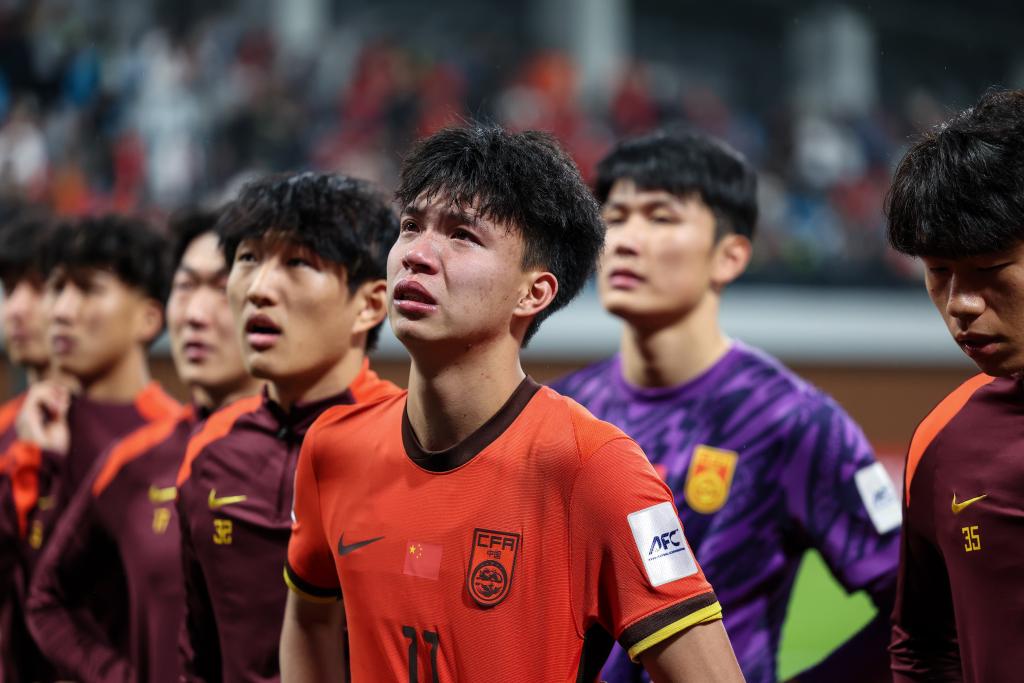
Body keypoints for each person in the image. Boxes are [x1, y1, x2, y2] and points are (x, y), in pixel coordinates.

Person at [282, 124, 743, 683]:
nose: (417, 255)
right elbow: (308, 622)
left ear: (534, 292)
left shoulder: (597, 469)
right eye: (411, 226)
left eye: (462, 235)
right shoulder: (333, 448)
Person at [551, 127, 900, 683]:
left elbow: (916, 604)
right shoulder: (564, 412)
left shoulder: (789, 419)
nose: (626, 239)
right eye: (614, 217)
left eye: (660, 217)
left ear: (729, 256)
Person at [175, 172, 399, 682]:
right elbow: (198, 653)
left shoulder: (409, 447)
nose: (259, 289)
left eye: (298, 262)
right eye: (248, 259)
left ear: (369, 305)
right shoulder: (209, 448)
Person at [26, 209, 262, 683]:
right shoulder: (133, 459)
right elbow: (45, 599)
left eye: (220, 289)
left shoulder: (316, 452)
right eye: (185, 286)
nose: (195, 314)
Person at [886, 88, 1024, 683]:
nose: (960, 303)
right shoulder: (944, 439)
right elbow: (923, 648)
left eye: (989, 269)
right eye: (938, 271)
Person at [8, 214, 181, 680]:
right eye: (57, 288)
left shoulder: (177, 444)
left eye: (87, 289)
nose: (61, 310)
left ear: (148, 318)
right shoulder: (17, 431)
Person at [0, 205, 57, 682]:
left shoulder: (137, 438)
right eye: (9, 288)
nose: (16, 308)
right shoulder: (2, 430)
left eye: (37, 288)